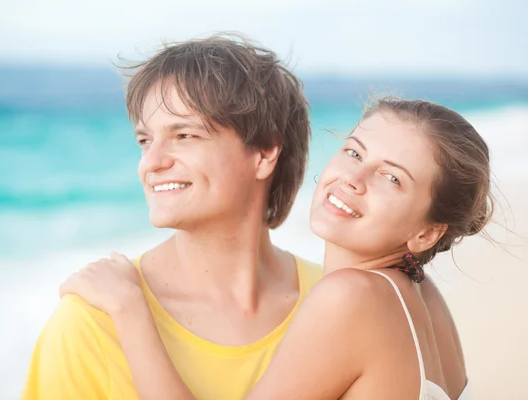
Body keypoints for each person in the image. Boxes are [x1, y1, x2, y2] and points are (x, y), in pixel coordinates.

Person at [61, 97, 491, 399]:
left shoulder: (353, 297)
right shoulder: (422, 298)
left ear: (427, 234)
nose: (352, 179)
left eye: (391, 177)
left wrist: (129, 307)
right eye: (354, 152)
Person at [21, 33, 322, 400]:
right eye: (145, 140)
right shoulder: (92, 321)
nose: (152, 162)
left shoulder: (336, 305)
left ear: (263, 154)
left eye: (184, 135)